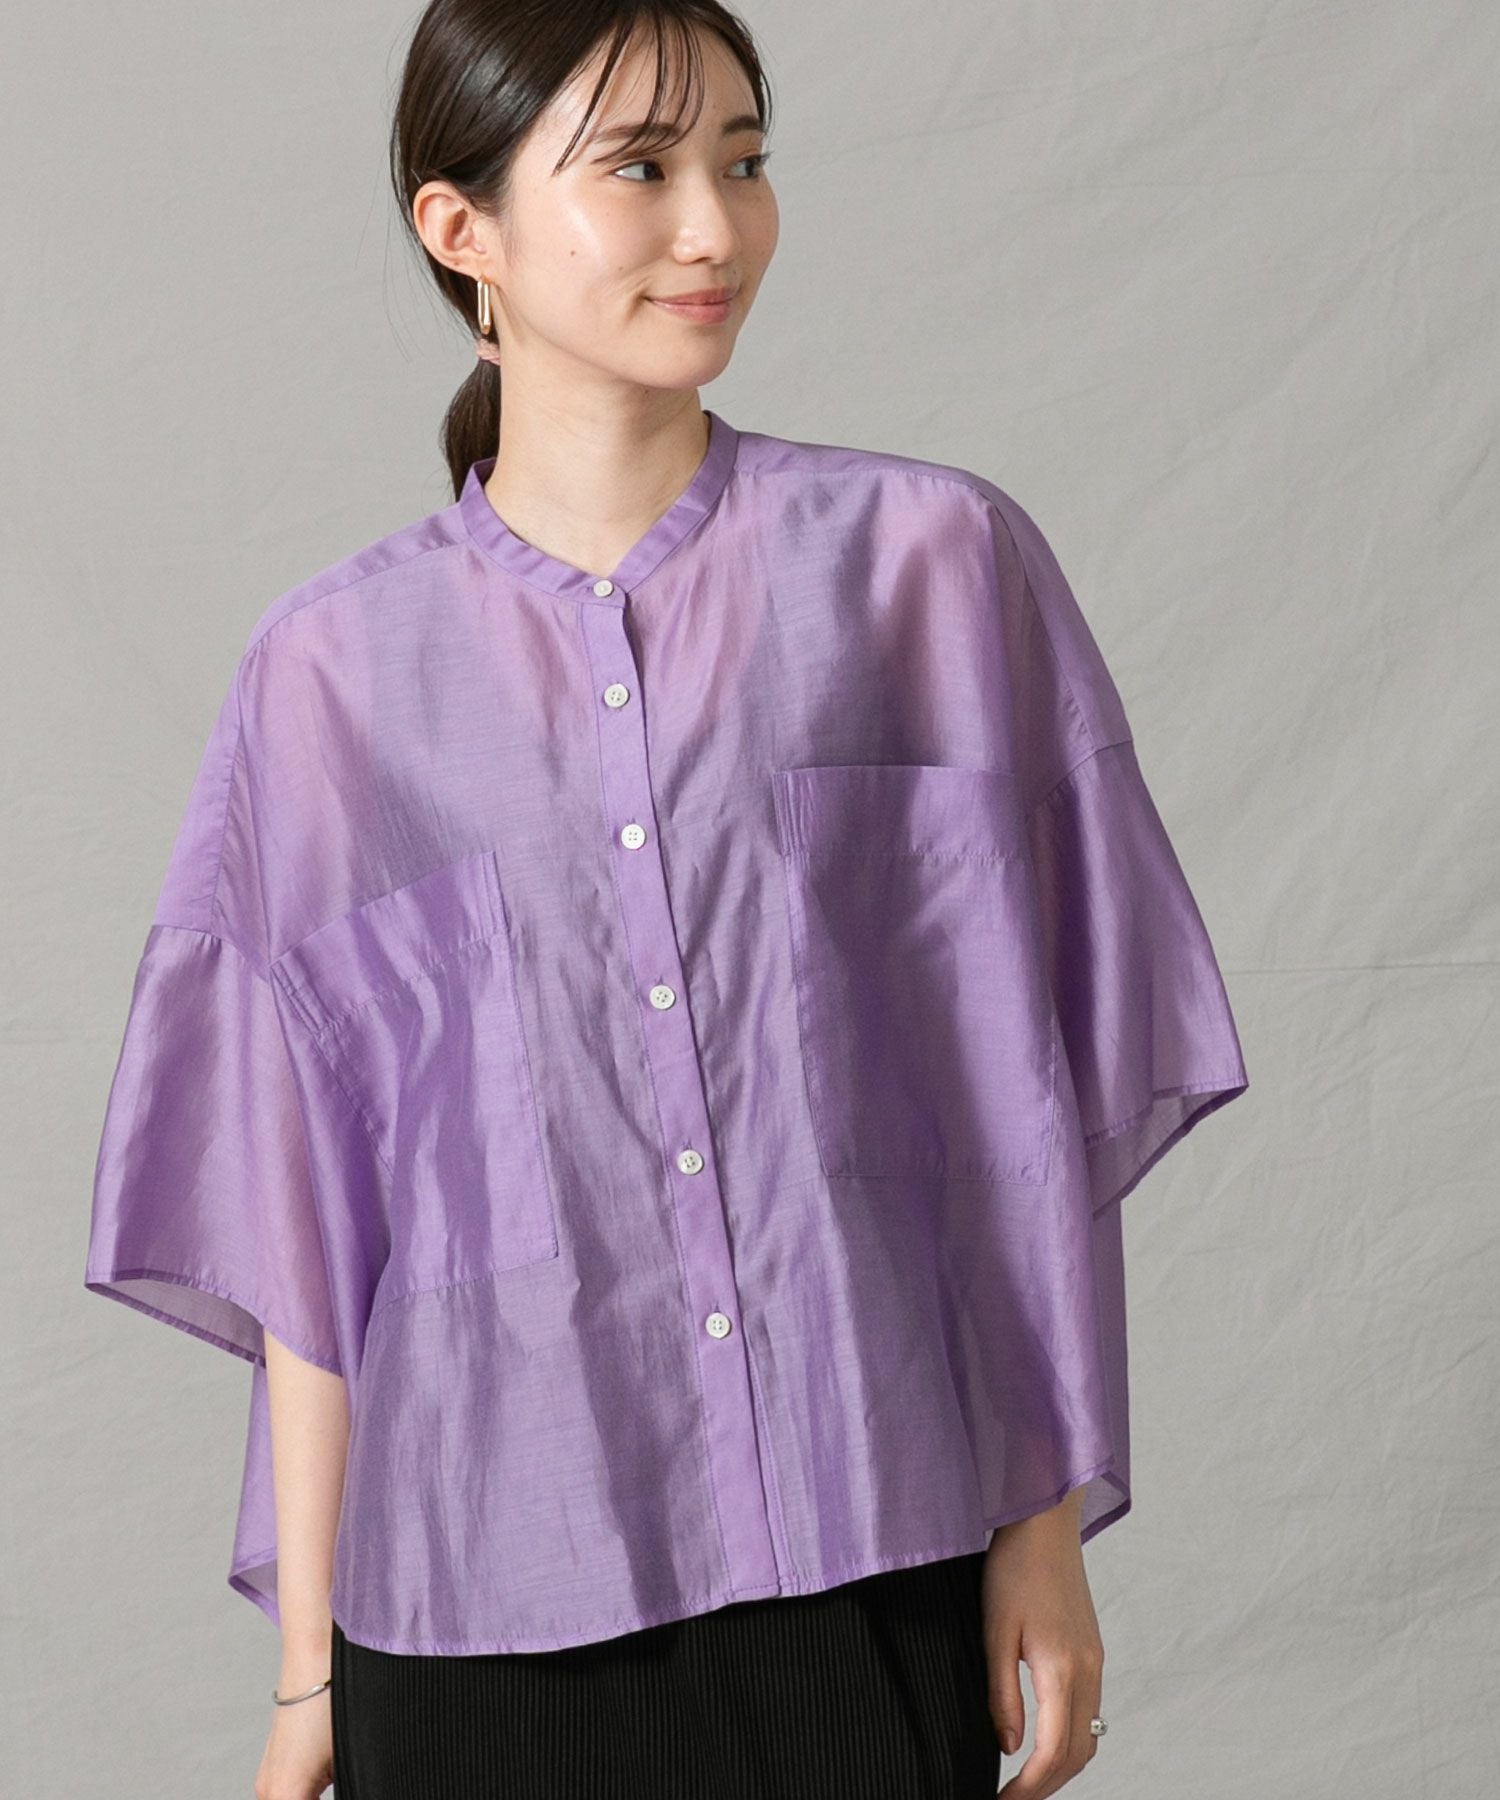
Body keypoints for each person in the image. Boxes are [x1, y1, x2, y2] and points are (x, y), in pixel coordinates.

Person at [82, 2, 1250, 1797]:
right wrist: (310, 1674)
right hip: (470, 1617)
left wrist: (1043, 1525)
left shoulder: (930, 573)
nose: (716, 226)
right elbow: (315, 1218)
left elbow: (1012, 1109)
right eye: (638, 169)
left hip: (867, 1560)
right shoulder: (329, 681)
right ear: (460, 228)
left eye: (744, 160)